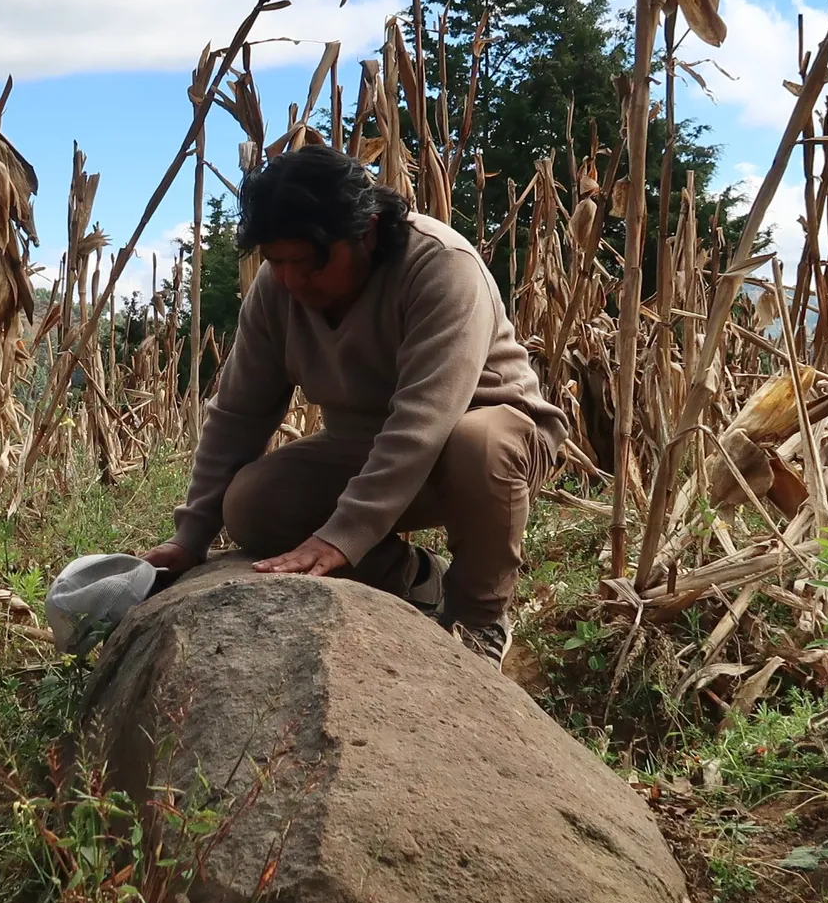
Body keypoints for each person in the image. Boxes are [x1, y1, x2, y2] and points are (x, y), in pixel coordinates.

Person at [141, 144, 566, 665]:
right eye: (276, 263)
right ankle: (414, 578)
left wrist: (342, 537)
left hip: (486, 438)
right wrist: (192, 537)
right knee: (251, 503)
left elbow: (424, 421)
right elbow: (238, 415)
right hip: (366, 447)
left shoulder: (441, 268)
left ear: (364, 232)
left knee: (477, 445)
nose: (291, 281)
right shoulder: (279, 292)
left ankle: (478, 618)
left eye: (306, 263)